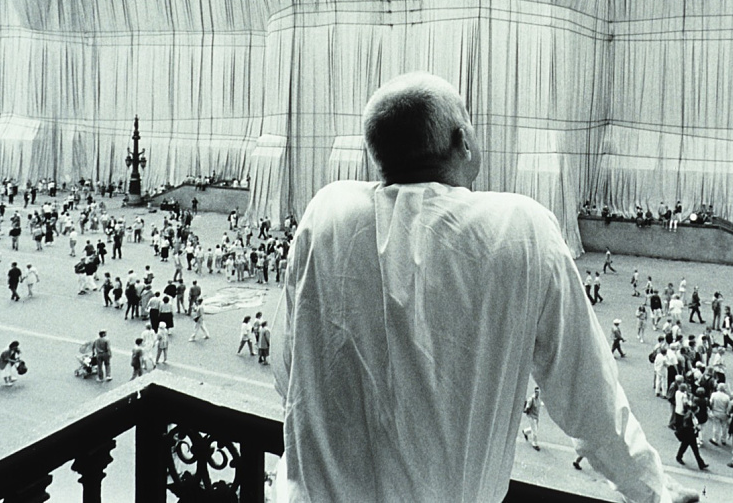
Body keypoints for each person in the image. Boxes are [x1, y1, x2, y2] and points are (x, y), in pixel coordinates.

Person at [271, 72, 690, 503]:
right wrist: (653, 491)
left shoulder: (326, 214)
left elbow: (288, 377)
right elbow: (591, 403)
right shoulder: (521, 227)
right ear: (464, 141)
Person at [521, 386, 542, 451]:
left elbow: (540, 405)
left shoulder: (539, 399)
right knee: (534, 431)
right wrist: (526, 410)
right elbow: (527, 407)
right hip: (532, 417)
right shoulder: (531, 399)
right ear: (535, 392)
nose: (537, 393)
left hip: (536, 416)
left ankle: (525, 432)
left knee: (535, 428)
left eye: (538, 392)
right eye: (536, 392)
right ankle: (534, 444)